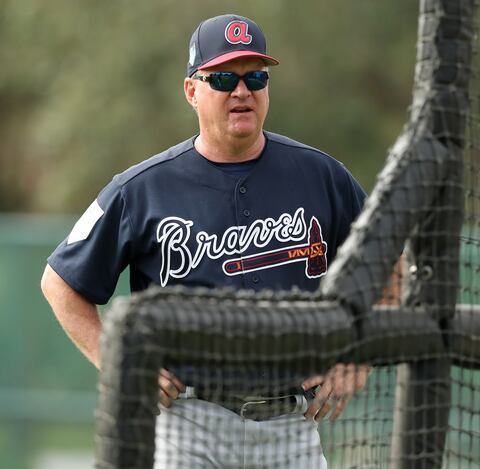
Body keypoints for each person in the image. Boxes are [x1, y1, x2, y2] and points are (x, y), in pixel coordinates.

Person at [41, 13, 371, 468]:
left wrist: (359, 355)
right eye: (222, 78)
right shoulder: (140, 188)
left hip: (292, 423)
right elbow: (60, 282)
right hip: (188, 421)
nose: (242, 91)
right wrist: (119, 363)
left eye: (256, 76)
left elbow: (390, 261)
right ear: (192, 91)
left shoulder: (322, 176)